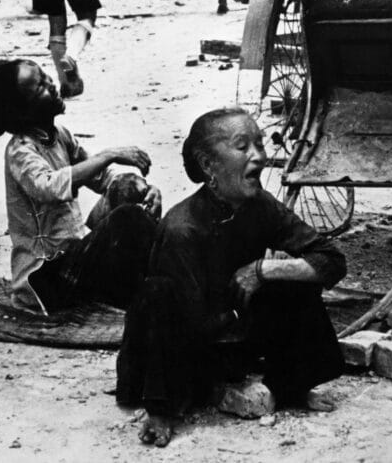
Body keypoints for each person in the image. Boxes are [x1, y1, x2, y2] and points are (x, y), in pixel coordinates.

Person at [116, 107, 347, 447]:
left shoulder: (261, 206)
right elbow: (191, 324)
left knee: (292, 279)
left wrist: (264, 270)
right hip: (184, 348)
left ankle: (290, 387)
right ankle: (161, 409)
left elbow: (332, 260)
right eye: (242, 146)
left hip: (232, 335)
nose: (259, 157)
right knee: (158, 295)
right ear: (209, 165)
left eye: (260, 144)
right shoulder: (182, 228)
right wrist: (243, 312)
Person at [0, 59, 162, 314]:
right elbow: (49, 187)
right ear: (23, 113)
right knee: (128, 218)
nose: (51, 84)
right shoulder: (20, 151)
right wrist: (109, 155)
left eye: (45, 76)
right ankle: (145, 292)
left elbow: (101, 177)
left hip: (72, 261)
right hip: (46, 278)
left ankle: (145, 287)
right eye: (40, 86)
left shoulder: (60, 135)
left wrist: (143, 189)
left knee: (129, 193)